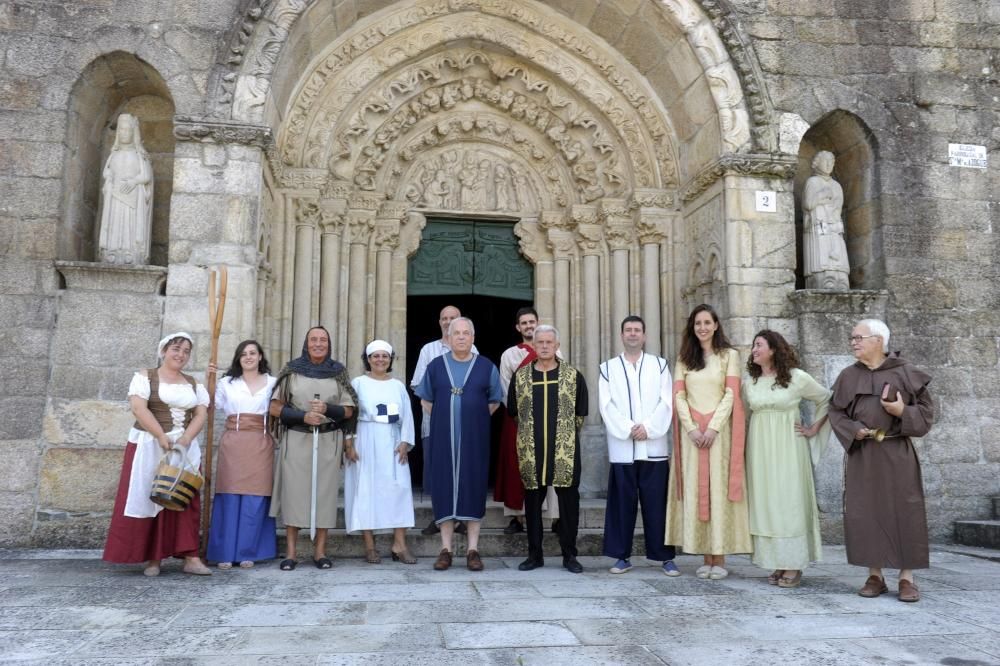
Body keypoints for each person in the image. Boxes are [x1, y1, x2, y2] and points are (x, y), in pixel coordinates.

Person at [828, 318, 934, 602]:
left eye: (859, 337)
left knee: (905, 509)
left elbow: (926, 418)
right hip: (863, 454)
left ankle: (906, 578)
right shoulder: (848, 376)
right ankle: (875, 575)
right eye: (852, 338)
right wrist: (854, 430)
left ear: (878, 340)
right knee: (866, 511)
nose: (854, 342)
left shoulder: (906, 372)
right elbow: (835, 412)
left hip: (897, 452)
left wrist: (901, 411)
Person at [102, 332, 212, 577]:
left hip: (184, 447)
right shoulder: (145, 377)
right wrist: (162, 436)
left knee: (184, 498)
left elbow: (201, 415)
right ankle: (153, 559)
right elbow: (139, 409)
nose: (180, 354)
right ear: (164, 350)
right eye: (176, 349)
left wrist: (184, 439)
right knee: (151, 497)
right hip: (150, 443)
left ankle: (191, 557)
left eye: (186, 351)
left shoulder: (194, 384)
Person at [664, 304, 750, 579]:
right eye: (697, 323)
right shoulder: (684, 358)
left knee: (717, 490)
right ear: (692, 327)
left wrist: (712, 427)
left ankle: (720, 558)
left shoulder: (729, 356)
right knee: (695, 491)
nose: (702, 328)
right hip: (692, 437)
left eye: (707, 323)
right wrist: (690, 428)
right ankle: (705, 556)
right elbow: (678, 396)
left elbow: (731, 394)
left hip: (718, 434)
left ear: (715, 325)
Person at [743, 330, 831, 588]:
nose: (754, 350)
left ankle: (793, 564)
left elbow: (826, 398)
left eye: (758, 345)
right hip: (759, 450)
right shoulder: (751, 381)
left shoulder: (796, 378)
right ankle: (778, 562)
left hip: (788, 448)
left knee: (789, 502)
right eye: (753, 346)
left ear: (773, 349)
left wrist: (814, 428)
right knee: (767, 502)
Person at [414, 317, 502, 572]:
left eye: (466, 333)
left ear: (473, 338)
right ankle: (446, 550)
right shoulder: (435, 366)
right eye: (457, 333)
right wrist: (446, 417)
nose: (461, 337)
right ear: (449, 338)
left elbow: (494, 400)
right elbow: (425, 400)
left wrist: (471, 417)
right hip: (443, 440)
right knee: (443, 487)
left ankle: (473, 550)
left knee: (473, 487)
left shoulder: (486, 366)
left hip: (475, 440)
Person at [269, 326, 356, 571]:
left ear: (329, 344)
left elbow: (349, 409)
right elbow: (275, 408)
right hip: (297, 439)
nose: (318, 344)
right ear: (306, 344)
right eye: (313, 340)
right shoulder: (292, 371)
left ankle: (320, 552)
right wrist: (302, 416)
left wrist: (328, 409)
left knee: (325, 496)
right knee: (294, 495)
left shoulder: (338, 373)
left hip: (328, 441)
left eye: (323, 340)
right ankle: (291, 553)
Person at [599, 315, 678, 576]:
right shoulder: (608, 368)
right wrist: (627, 429)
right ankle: (622, 556)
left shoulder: (660, 365)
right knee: (622, 505)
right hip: (623, 449)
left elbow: (667, 401)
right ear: (621, 335)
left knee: (657, 505)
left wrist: (649, 428)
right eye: (628, 330)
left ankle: (665, 557)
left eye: (637, 330)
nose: (632, 334)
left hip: (654, 449)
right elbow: (606, 405)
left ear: (644, 335)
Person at [508, 325, 588, 574]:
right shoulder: (521, 377)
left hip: (564, 450)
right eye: (539, 342)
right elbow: (513, 411)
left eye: (548, 342)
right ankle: (534, 555)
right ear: (533, 345)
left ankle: (569, 555)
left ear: (556, 345)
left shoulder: (573, 376)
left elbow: (581, 412)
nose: (544, 346)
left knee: (568, 505)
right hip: (532, 452)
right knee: (532, 505)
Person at [205, 340, 278, 570]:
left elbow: (278, 409)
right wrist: (209, 381)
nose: (248, 357)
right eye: (243, 354)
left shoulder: (273, 383)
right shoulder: (227, 382)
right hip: (234, 440)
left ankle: (249, 551)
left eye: (253, 353)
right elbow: (209, 405)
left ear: (260, 356)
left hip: (260, 440)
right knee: (230, 494)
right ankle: (225, 552)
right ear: (238, 358)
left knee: (255, 495)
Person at [344, 340, 417, 565]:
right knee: (365, 490)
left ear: (390, 359)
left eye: (384, 356)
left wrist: (405, 441)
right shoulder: (358, 383)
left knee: (400, 489)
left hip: (392, 439)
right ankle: (370, 546)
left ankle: (400, 544)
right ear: (368, 359)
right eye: (375, 356)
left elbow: (407, 415)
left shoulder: (397, 386)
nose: (380, 360)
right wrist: (349, 443)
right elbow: (350, 414)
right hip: (365, 438)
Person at [410, 304, 477, 536]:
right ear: (440, 322)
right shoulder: (429, 350)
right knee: (437, 474)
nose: (449, 322)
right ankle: (439, 517)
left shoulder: (473, 349)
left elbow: (477, 388)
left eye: (454, 318)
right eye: (445, 318)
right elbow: (419, 386)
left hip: (465, 427)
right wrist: (440, 413)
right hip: (434, 424)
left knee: (464, 471)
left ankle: (461, 518)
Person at [495, 306, 559, 535]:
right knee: (516, 466)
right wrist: (520, 413)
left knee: (551, 465)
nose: (528, 326)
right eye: (524, 323)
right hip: (518, 419)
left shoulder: (555, 352)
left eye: (532, 322)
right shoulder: (510, 355)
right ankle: (517, 518)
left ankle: (553, 517)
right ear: (518, 327)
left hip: (549, 419)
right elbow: (504, 387)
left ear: (538, 322)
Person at [97, 113, 153, 266]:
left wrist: (134, 181)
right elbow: (106, 171)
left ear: (133, 132)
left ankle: (132, 253)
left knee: (130, 224)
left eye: (127, 130)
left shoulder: (140, 155)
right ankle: (111, 251)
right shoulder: (114, 154)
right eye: (120, 130)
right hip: (114, 198)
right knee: (115, 222)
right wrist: (108, 177)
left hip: (133, 199)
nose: (123, 133)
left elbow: (146, 176)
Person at [802, 150, 849, 289]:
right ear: (817, 163)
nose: (829, 164)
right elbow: (808, 204)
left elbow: (839, 207)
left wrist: (833, 212)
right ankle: (822, 278)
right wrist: (822, 195)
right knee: (821, 256)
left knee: (837, 257)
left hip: (833, 225)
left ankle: (840, 279)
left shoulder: (836, 185)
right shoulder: (812, 182)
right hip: (818, 226)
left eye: (832, 162)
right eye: (825, 161)